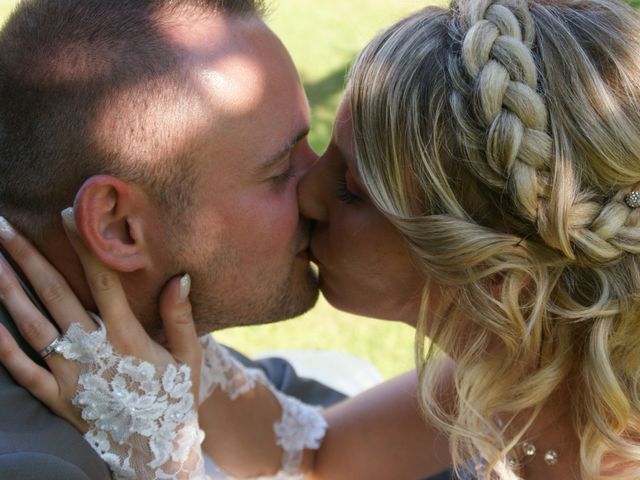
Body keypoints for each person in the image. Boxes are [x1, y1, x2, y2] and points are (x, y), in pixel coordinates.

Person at [3, 0, 640, 478]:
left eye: (351, 192)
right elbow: (317, 456)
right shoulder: (505, 371)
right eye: (309, 156)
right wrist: (149, 393)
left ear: (488, 271)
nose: (310, 192)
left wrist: (164, 465)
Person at [0, 0, 351, 478]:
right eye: (280, 170)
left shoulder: (129, 349)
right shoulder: (33, 465)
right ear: (119, 228)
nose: (316, 191)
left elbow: (316, 445)